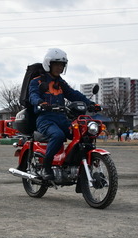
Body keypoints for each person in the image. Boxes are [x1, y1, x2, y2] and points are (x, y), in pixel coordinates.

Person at [29, 48, 98, 180]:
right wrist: (40, 102)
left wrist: (91, 104)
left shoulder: (60, 83)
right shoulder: (37, 81)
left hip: (61, 118)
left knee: (83, 134)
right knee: (58, 135)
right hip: (45, 119)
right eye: (56, 64)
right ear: (48, 64)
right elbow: (33, 95)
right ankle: (46, 167)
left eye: (62, 65)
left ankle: (77, 165)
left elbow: (73, 94)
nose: (59, 67)